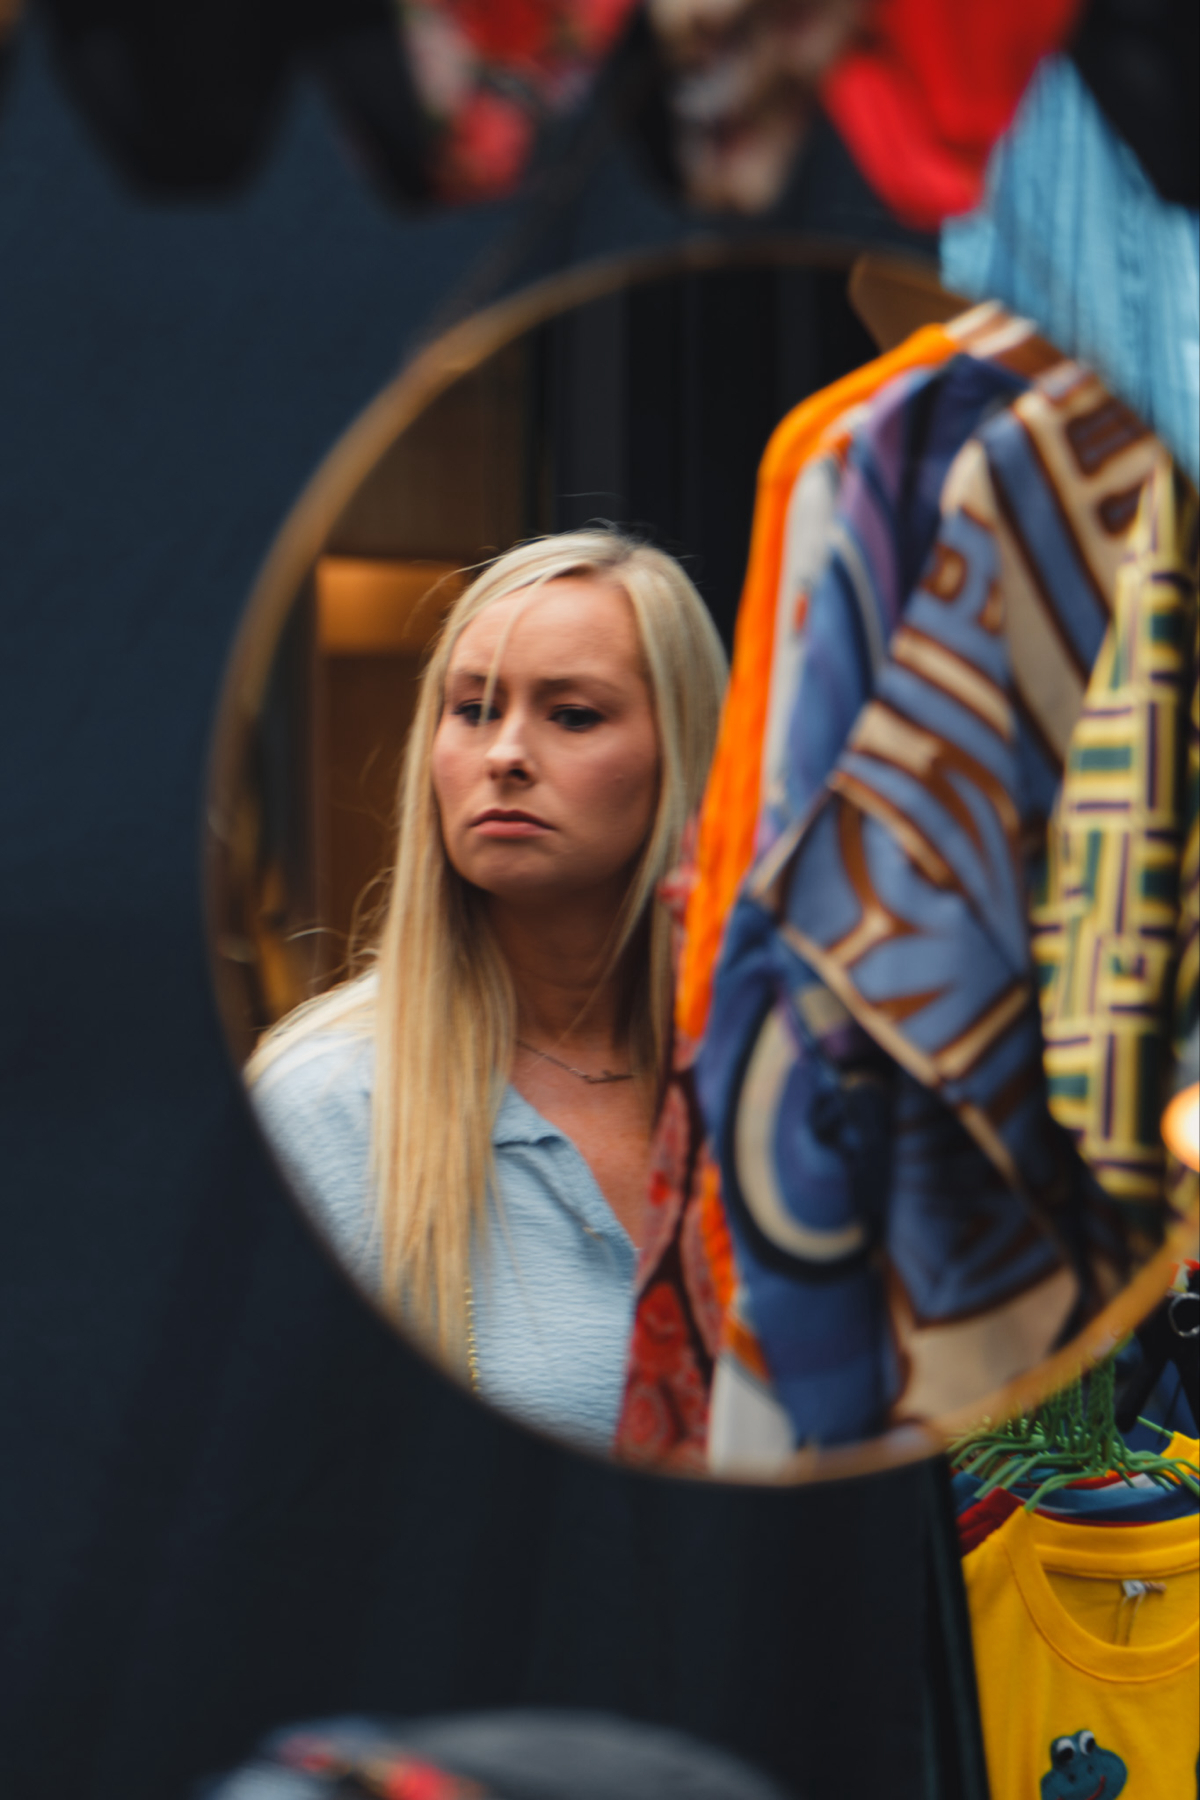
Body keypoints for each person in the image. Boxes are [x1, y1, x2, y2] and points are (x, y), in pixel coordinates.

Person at [249, 531, 727, 1452]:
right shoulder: (328, 1106)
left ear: (684, 754)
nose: (504, 753)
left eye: (572, 715)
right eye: (472, 709)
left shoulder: (785, 1090)